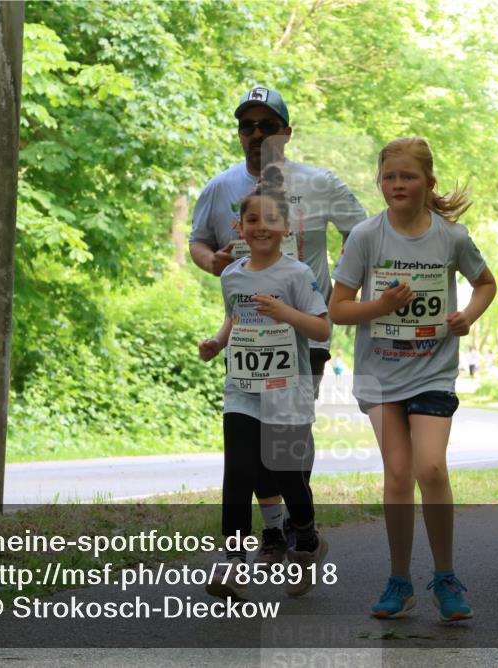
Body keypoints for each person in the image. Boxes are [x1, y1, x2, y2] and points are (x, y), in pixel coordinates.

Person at [190, 87, 367, 566]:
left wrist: (344, 288)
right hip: (250, 332)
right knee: (250, 440)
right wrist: (217, 265)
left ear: (286, 133)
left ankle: (298, 524)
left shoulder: (321, 183)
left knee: (286, 439)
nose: (257, 134)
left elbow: (364, 236)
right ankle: (273, 532)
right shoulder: (221, 187)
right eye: (248, 125)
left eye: (267, 125)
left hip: (304, 330)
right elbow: (199, 243)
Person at [329, 137, 497, 622]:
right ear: (380, 182)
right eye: (389, 177)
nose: (397, 185)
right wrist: (381, 306)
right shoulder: (365, 237)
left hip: (432, 370)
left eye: (407, 177)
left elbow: (486, 283)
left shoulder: (451, 237)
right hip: (381, 376)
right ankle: (399, 580)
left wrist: (468, 314)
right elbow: (338, 309)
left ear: (428, 182)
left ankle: (445, 576)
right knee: (398, 475)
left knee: (431, 469)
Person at [199, 180, 330, 601]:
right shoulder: (233, 275)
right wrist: (217, 342)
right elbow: (234, 318)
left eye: (270, 220)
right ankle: (233, 562)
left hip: (287, 391)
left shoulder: (297, 274)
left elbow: (323, 327)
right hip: (242, 390)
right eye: (252, 219)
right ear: (239, 227)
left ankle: (306, 540)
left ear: (285, 228)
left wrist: (285, 312)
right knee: (238, 474)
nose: (260, 227)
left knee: (288, 477)